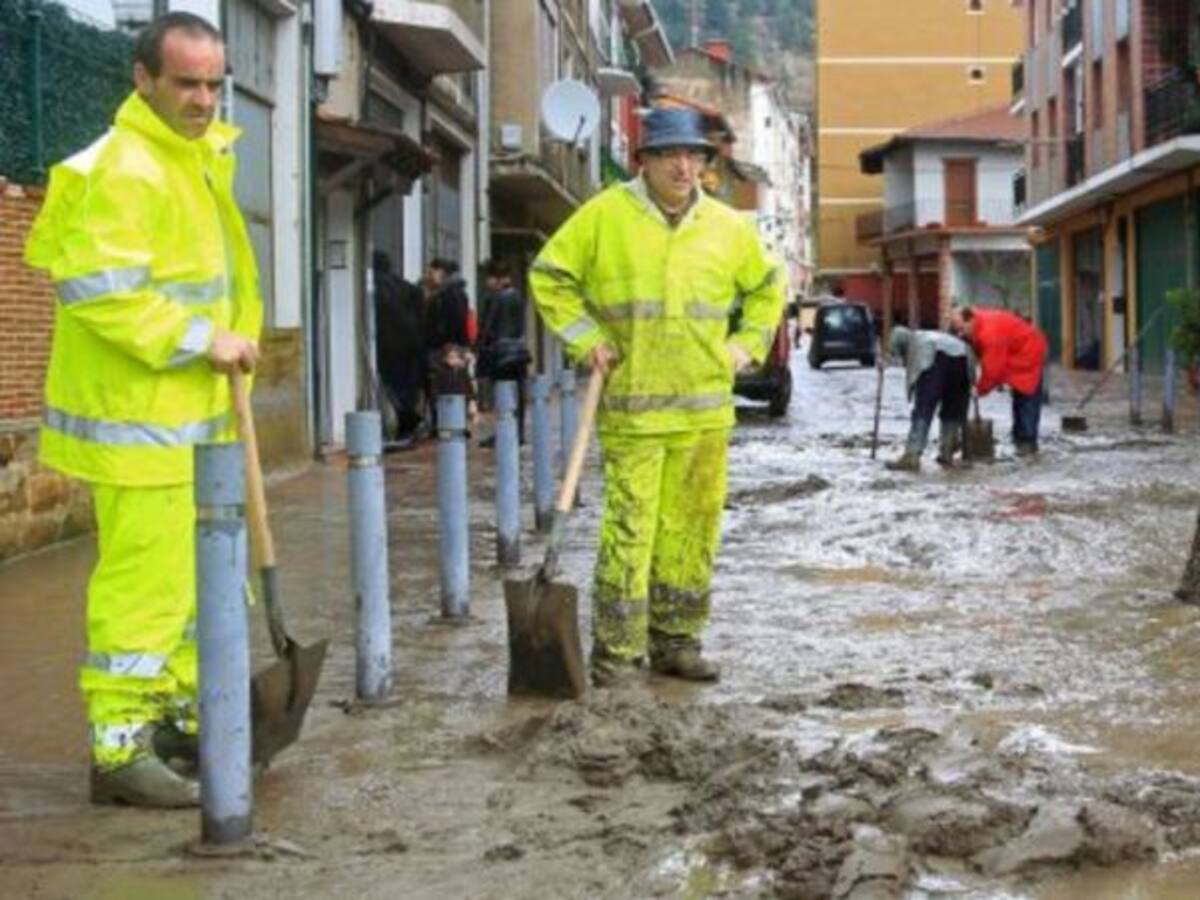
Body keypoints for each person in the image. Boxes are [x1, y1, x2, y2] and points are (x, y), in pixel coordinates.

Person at [23, 12, 261, 807]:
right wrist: (205, 340)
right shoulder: (122, 168)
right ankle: (120, 748)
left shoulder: (192, 159)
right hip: (142, 424)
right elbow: (103, 294)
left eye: (212, 83)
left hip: (194, 419)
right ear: (142, 78)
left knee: (197, 591)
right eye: (186, 82)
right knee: (148, 587)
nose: (203, 99)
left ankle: (176, 720)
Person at [529, 107, 785, 688]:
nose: (683, 165)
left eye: (694, 156)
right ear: (642, 161)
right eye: (671, 154)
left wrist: (746, 346)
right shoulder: (604, 217)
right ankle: (617, 654)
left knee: (691, 531)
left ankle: (677, 642)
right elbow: (549, 276)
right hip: (634, 413)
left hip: (704, 416)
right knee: (630, 531)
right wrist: (587, 340)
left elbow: (771, 289)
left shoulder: (727, 227)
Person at [951, 305, 1048, 456]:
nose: (960, 334)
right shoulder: (977, 322)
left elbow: (993, 370)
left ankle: (1027, 443)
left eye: (962, 329)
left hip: (1029, 352)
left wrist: (980, 389)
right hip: (1015, 349)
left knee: (1027, 395)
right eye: (957, 330)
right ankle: (1019, 438)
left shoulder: (990, 334)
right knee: (1018, 397)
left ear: (970, 320)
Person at [885, 325, 976, 472]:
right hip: (963, 360)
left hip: (935, 360)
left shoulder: (916, 343)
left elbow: (913, 375)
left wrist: (913, 394)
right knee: (952, 410)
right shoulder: (928, 334)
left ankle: (912, 456)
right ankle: (947, 453)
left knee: (923, 410)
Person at [372, 251, 426, 445]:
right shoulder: (408, 288)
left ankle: (407, 421)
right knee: (405, 387)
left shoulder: (377, 285)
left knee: (392, 387)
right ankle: (408, 424)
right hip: (411, 345)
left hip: (387, 346)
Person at [476, 259, 531, 447]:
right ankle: (518, 432)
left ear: (497, 279)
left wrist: (479, 348)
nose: (486, 283)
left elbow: (488, 328)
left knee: (501, 393)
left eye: (489, 278)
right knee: (517, 394)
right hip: (518, 353)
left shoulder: (496, 298)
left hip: (501, 355)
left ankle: (504, 433)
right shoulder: (517, 296)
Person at [422, 257, 474, 434]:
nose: (428, 276)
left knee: (447, 386)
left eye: (431, 271)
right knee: (453, 385)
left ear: (441, 272)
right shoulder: (451, 292)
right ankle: (452, 423)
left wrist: (451, 348)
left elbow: (454, 322)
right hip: (450, 347)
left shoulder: (449, 294)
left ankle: (451, 424)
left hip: (446, 348)